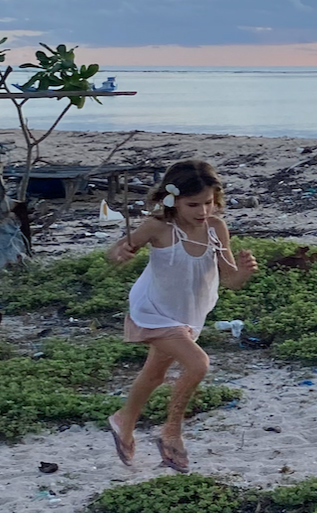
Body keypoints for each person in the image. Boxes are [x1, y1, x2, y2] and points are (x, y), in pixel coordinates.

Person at [105, 158, 258, 472]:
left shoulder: (215, 228)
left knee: (154, 374)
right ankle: (171, 432)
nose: (203, 211)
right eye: (193, 205)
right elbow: (117, 250)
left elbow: (230, 279)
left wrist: (243, 272)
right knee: (198, 363)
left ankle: (124, 420)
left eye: (209, 203)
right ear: (172, 199)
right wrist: (120, 253)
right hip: (155, 311)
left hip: (188, 313)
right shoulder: (158, 227)